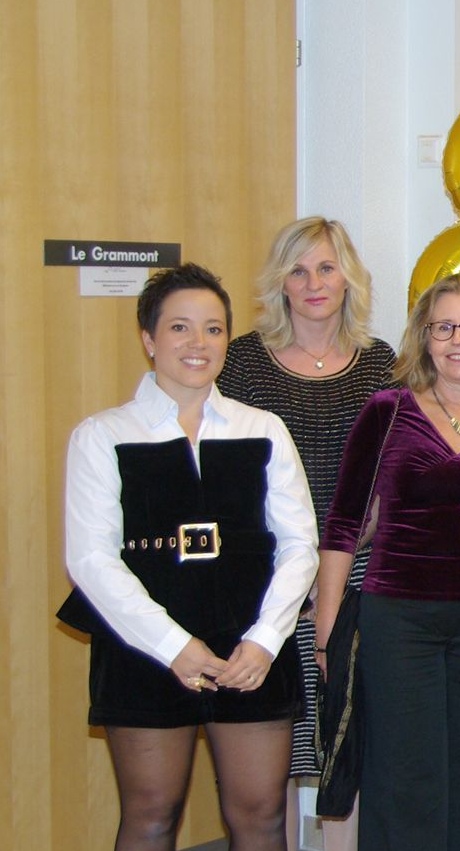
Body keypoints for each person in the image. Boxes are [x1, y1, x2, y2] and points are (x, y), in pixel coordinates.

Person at [60, 263, 319, 851]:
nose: (198, 343)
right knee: (152, 815)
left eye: (213, 329)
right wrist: (174, 647)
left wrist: (264, 642)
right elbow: (91, 559)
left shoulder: (264, 429)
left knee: (261, 816)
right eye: (179, 327)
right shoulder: (103, 435)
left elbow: (299, 544)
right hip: (143, 648)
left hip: (252, 649)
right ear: (149, 339)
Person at [314, 275, 460, 851]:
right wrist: (327, 630)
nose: (458, 340)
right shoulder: (387, 412)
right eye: (443, 328)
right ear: (423, 338)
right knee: (403, 775)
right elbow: (343, 523)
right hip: (397, 620)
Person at [216, 216, 394, 848]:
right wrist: (299, 573)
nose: (314, 283)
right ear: (280, 283)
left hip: (359, 576)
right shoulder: (241, 362)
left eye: (326, 267)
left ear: (348, 278)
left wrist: (339, 564)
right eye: (298, 270)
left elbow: (395, 473)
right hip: (268, 584)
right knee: (274, 761)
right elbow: (225, 474)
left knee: (348, 743)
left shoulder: (380, 364)